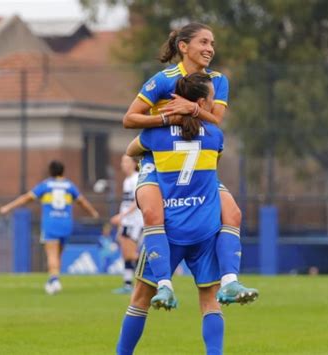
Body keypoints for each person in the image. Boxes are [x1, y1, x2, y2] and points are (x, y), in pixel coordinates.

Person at [122, 22, 258, 307]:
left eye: (212, 43)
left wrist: (192, 110)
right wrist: (165, 120)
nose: (210, 49)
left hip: (195, 158)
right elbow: (129, 119)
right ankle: (163, 283)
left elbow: (217, 120)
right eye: (203, 42)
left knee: (232, 213)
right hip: (159, 159)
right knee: (152, 211)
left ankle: (230, 282)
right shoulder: (163, 79)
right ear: (183, 47)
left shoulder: (218, 80)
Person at [117, 73, 225, 355]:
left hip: (168, 230)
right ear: (200, 102)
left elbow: (132, 151)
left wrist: (160, 133)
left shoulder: (156, 135)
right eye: (211, 100)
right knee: (210, 299)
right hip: (204, 227)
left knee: (140, 298)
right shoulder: (215, 135)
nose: (214, 105)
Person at [0, 160, 99, 294]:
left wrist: (8, 207)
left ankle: (54, 280)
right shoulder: (69, 186)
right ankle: (52, 279)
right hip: (66, 224)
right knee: (58, 255)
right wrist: (93, 212)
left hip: (51, 223)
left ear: (50, 171)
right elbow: (83, 202)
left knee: (52, 254)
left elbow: (26, 198)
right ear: (63, 171)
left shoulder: (45, 185)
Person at [110, 155, 144, 294]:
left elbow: (138, 201)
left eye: (126, 161)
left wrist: (121, 216)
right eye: (122, 161)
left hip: (134, 222)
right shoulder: (127, 180)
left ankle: (154, 275)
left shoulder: (136, 178)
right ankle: (128, 284)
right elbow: (126, 202)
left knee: (130, 253)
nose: (123, 164)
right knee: (127, 254)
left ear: (133, 163)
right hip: (127, 222)